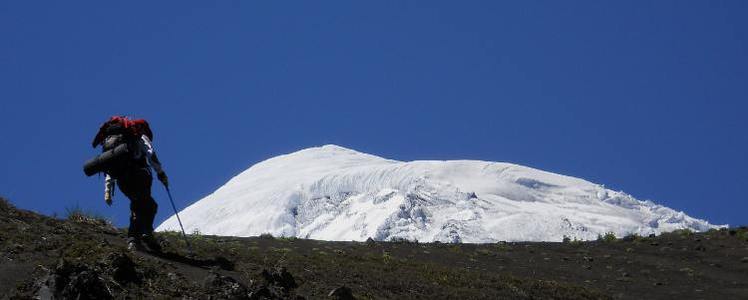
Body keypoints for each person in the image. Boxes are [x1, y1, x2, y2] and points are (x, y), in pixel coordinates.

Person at [91, 116, 168, 252]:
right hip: (140, 175)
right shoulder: (138, 136)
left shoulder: (114, 143)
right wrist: (161, 173)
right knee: (148, 205)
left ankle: (139, 237)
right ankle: (140, 236)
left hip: (122, 180)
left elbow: (110, 165)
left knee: (139, 204)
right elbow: (151, 153)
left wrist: (107, 190)